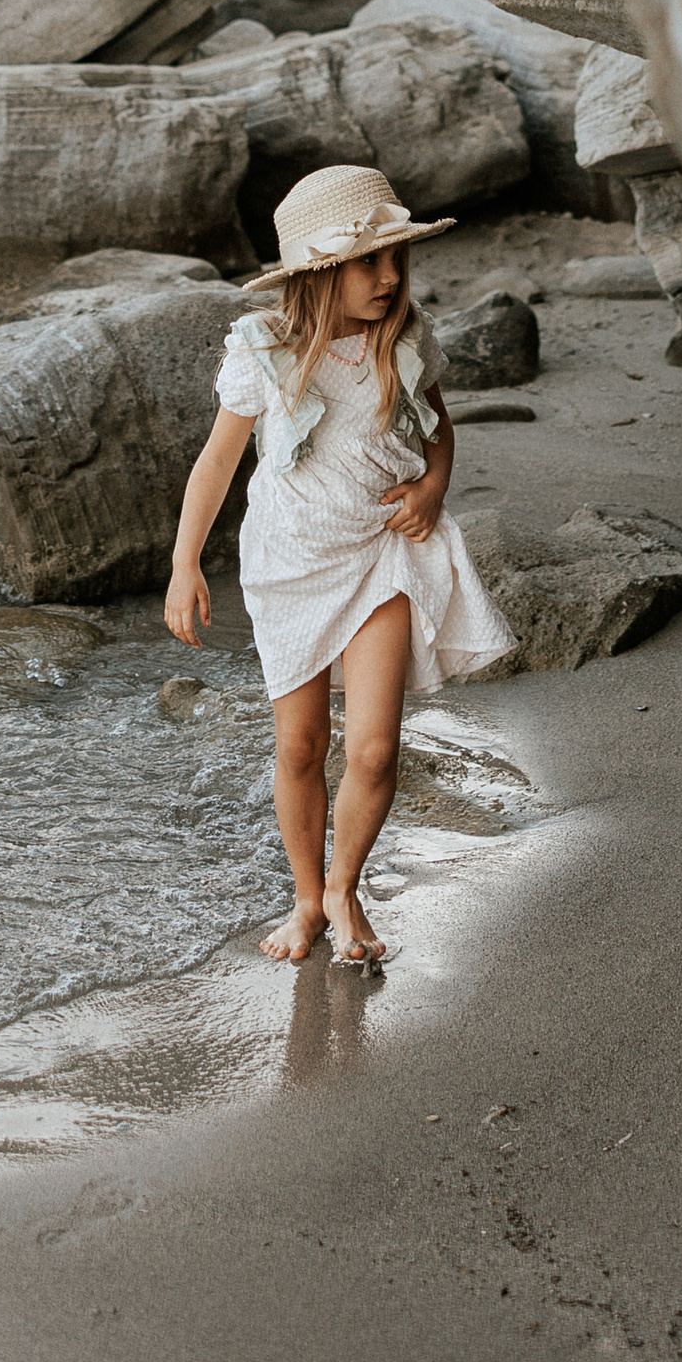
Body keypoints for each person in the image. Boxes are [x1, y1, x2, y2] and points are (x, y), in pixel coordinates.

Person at [164, 161, 516, 965]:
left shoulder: (407, 340)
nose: (389, 275)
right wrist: (186, 563)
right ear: (319, 272)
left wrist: (432, 486)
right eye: (368, 260)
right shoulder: (264, 352)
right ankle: (302, 895)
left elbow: (438, 431)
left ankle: (343, 887)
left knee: (374, 749)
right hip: (290, 565)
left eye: (397, 257)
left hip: (381, 555)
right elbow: (217, 463)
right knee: (300, 747)